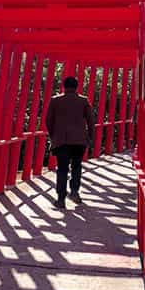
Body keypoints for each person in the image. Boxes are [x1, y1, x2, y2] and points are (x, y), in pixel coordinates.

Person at [45, 75, 95, 209]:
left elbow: (48, 120)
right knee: (77, 166)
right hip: (79, 140)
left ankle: (61, 198)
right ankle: (74, 191)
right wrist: (90, 137)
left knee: (62, 169)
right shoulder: (83, 101)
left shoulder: (56, 100)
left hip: (61, 140)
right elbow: (90, 121)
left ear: (64, 86)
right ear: (77, 87)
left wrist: (53, 135)